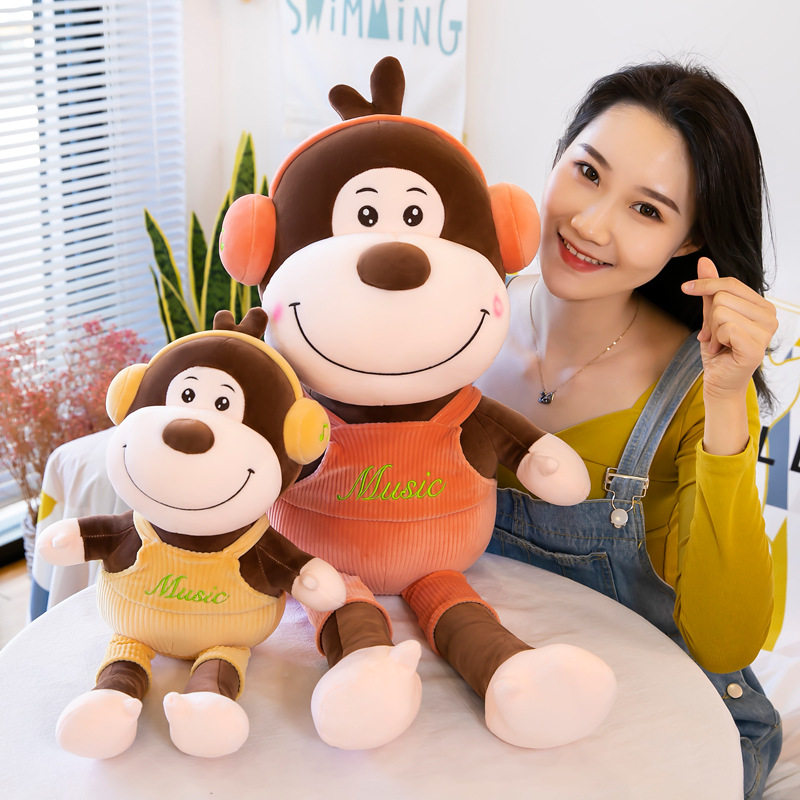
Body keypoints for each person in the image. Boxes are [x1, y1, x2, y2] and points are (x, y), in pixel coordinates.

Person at [474, 61, 781, 799]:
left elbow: (726, 641)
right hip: (493, 679)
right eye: (587, 172)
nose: (590, 223)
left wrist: (729, 398)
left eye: (646, 209)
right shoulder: (463, 323)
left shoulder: (700, 389)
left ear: (687, 240)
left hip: (664, 716)